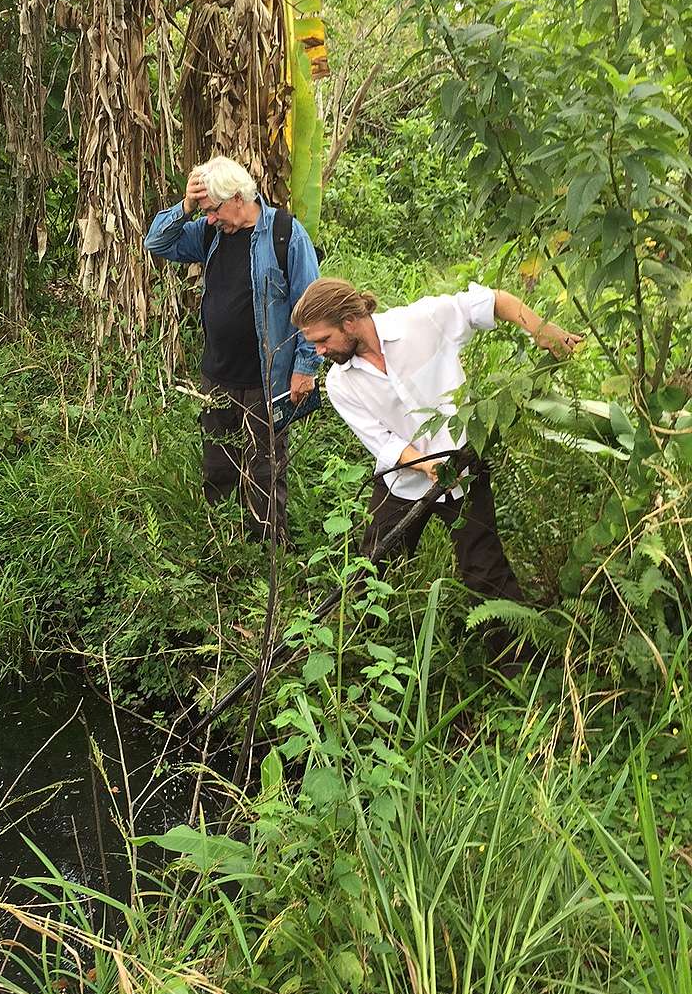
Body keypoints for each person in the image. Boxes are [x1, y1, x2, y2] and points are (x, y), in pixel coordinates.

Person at [290, 278, 582, 644]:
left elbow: (492, 301)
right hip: (402, 481)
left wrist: (541, 329)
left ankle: (515, 661)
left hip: (463, 468)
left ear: (349, 322)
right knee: (374, 565)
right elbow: (383, 442)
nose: (318, 351)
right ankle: (360, 651)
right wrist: (427, 465)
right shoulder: (340, 384)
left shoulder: (421, 321)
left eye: (322, 340)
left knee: (484, 568)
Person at [144, 156, 322, 542]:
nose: (209, 219)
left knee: (263, 470)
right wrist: (186, 206)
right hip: (217, 376)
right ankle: (221, 546)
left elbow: (312, 306)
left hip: (266, 380)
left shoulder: (285, 235)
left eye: (213, 209)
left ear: (239, 198)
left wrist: (305, 368)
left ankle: (266, 553)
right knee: (218, 464)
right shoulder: (211, 233)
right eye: (204, 211)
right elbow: (157, 242)